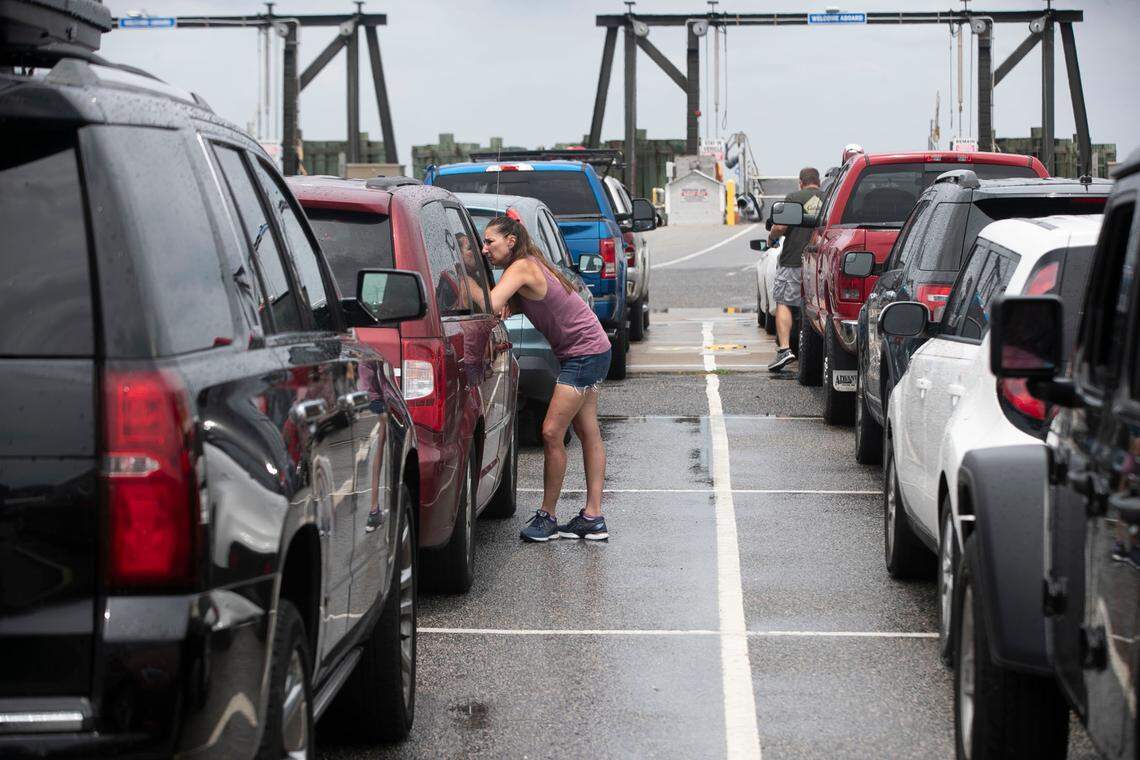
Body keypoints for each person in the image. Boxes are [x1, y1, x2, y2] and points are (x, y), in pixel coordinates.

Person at [482, 215, 613, 542]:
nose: (485, 248)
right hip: (591, 348)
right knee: (587, 430)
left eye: (489, 242)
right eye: (482, 243)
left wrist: (463, 278)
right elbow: (509, 303)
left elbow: (490, 304)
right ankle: (593, 517)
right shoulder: (527, 264)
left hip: (585, 353)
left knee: (552, 431)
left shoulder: (521, 267)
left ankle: (548, 517)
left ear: (510, 241)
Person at [767, 166, 824, 372]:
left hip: (793, 260)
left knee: (784, 302)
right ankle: (814, 349)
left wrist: (772, 236)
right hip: (820, 261)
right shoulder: (828, 197)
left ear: (801, 182)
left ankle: (784, 350)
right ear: (818, 181)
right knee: (815, 308)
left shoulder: (794, 196)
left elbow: (781, 226)